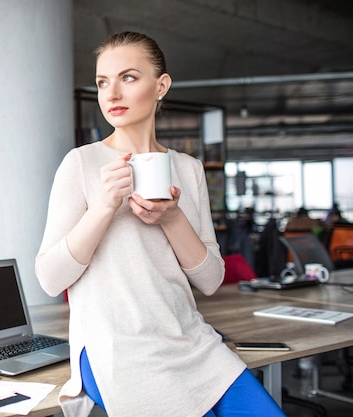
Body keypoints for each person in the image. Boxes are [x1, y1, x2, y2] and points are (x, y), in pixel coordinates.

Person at [35, 32, 285, 417]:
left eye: (128, 78)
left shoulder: (188, 168)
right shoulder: (81, 163)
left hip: (191, 340)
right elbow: (50, 279)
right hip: (115, 347)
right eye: (103, 82)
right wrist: (103, 207)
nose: (112, 94)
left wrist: (172, 217)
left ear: (161, 85)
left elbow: (211, 279)